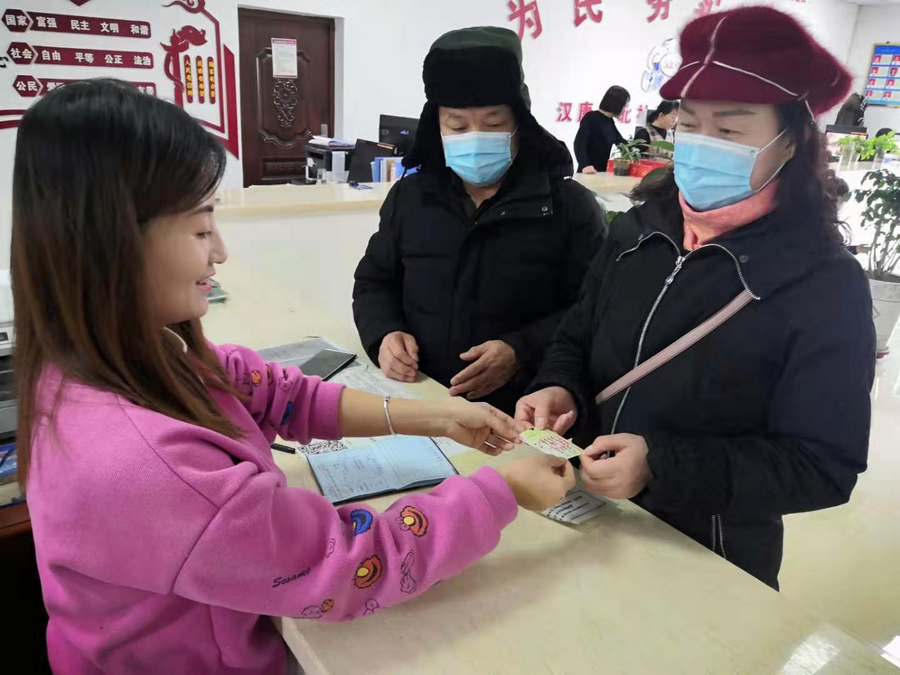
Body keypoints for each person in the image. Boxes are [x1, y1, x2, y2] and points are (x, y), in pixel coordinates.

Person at [14, 80, 576, 673]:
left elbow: (279, 393)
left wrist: (436, 415)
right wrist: (503, 491)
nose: (220, 253)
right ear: (113, 243)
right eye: (201, 229)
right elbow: (347, 565)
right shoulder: (147, 466)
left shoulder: (130, 352)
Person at [516, 6, 876, 590]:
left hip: (707, 554)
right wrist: (559, 385)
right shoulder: (638, 230)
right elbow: (577, 334)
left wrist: (661, 466)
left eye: (730, 131)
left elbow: (822, 465)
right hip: (590, 517)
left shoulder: (824, 285)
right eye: (689, 123)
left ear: (791, 140)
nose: (704, 144)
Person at [353, 27, 604, 414]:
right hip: (424, 403)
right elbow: (374, 281)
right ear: (437, 127)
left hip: (519, 409)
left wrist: (520, 350)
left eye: (493, 124)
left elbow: (592, 309)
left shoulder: (569, 207)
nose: (474, 138)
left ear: (520, 123)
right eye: (457, 126)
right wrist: (384, 332)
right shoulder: (410, 197)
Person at [574, 85, 630, 173]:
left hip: (601, 172)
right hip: (588, 172)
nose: (625, 109)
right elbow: (579, 144)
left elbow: (621, 142)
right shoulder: (591, 118)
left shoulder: (609, 121)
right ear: (617, 104)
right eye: (625, 106)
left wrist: (639, 149)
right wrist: (585, 165)